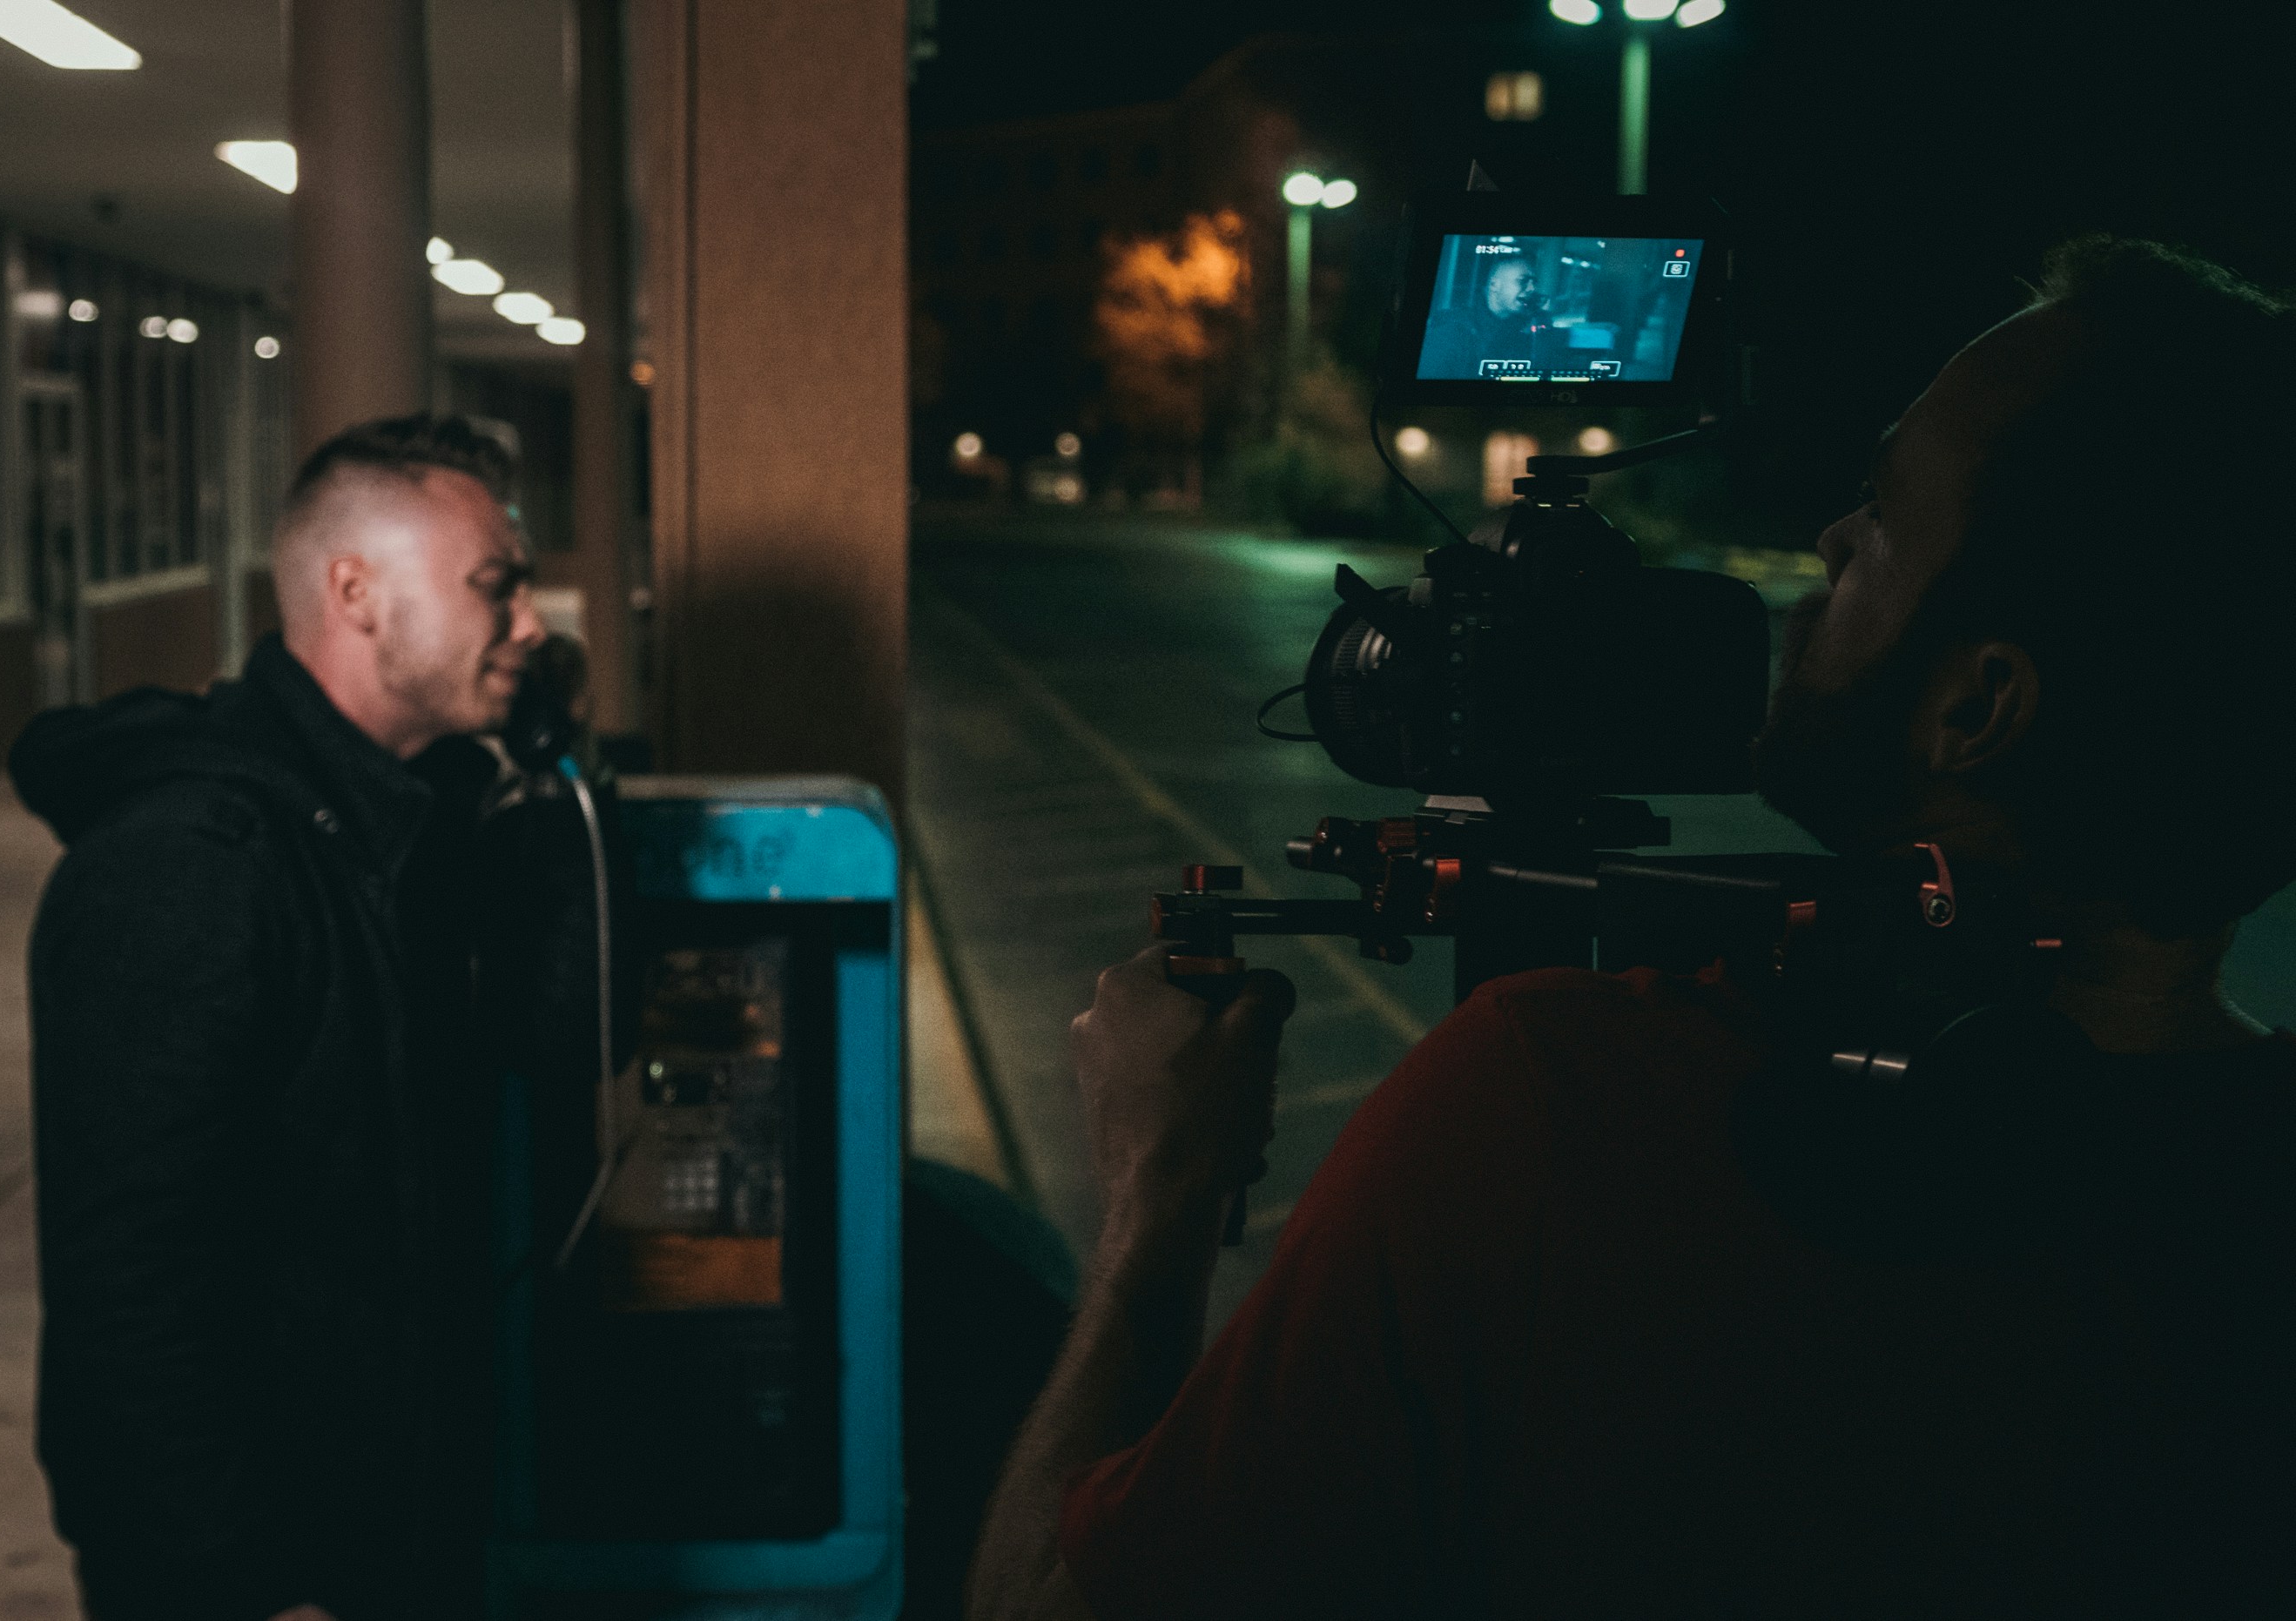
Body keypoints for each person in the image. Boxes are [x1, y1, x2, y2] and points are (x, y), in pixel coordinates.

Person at [967, 237, 2296, 1617]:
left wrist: (1158, 1192)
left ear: (1976, 707)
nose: (1831, 541)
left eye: (1878, 511)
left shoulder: (1556, 1098)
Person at [12, 414, 550, 1620]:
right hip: (265, 1566)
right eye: (495, 586)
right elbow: (130, 1286)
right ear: (355, 591)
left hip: (398, 1513)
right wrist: (239, 1582)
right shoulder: (189, 864)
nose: (531, 624)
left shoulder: (401, 835)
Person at [1418, 252, 1545, 378]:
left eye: (1534, 282)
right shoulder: (1452, 331)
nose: (1532, 289)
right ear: (1494, 285)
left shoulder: (1525, 332)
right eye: (1523, 281)